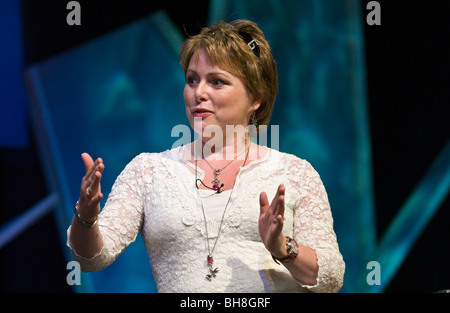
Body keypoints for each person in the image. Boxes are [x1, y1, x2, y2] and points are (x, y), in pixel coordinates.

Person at [67, 19, 345, 293]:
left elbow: (331, 278)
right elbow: (92, 258)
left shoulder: (295, 173)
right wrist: (86, 217)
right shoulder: (148, 170)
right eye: (192, 80)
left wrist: (283, 248)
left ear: (256, 97)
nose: (198, 93)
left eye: (217, 82)